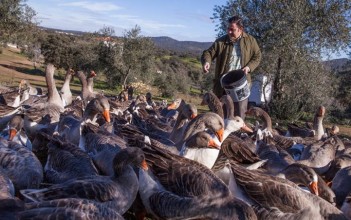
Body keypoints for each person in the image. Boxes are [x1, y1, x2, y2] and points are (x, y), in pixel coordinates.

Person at [201, 15, 261, 119]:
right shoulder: (221, 41)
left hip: (241, 84)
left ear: (240, 29)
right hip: (223, 84)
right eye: (228, 29)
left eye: (232, 29)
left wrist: (249, 67)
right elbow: (208, 53)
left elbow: (257, 56)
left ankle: (236, 134)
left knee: (239, 115)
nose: (229, 32)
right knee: (219, 114)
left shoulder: (251, 41)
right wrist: (207, 62)